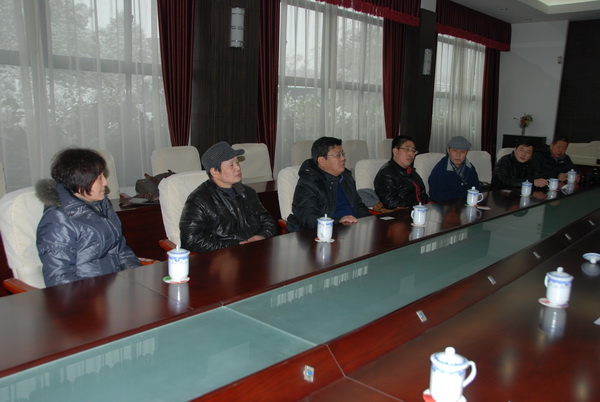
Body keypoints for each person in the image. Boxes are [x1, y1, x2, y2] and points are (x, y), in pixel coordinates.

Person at [36, 148, 141, 287]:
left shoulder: (102, 205)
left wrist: (137, 278)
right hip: (87, 295)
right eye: (99, 178)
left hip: (116, 288)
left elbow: (122, 251)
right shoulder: (58, 220)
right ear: (80, 181)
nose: (105, 182)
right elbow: (59, 281)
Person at [180, 141, 278, 253]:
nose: (238, 168)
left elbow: (268, 220)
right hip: (223, 257)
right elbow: (191, 240)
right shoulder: (199, 201)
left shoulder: (248, 192)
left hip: (255, 252)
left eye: (237, 162)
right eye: (231, 165)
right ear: (214, 172)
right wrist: (233, 246)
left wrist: (263, 235)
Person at [286, 136, 370, 233]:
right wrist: (339, 221)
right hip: (327, 233)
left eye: (343, 154)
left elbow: (358, 205)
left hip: (353, 229)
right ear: (322, 160)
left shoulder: (346, 176)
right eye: (338, 155)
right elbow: (309, 219)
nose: (343, 158)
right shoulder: (307, 184)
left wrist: (370, 222)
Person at [374, 135, 429, 209]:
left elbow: (422, 195)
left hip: (420, 210)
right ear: (395, 151)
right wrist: (418, 204)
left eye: (413, 151)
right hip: (404, 214)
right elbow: (391, 203)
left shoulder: (410, 171)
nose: (411, 154)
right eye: (407, 149)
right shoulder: (386, 174)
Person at [428, 136, 481, 202]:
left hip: (468, 205)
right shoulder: (439, 170)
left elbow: (477, 190)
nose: (458, 155)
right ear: (448, 150)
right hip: (446, 206)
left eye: (462, 152)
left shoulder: (470, 168)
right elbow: (437, 197)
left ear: (467, 152)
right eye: (455, 151)